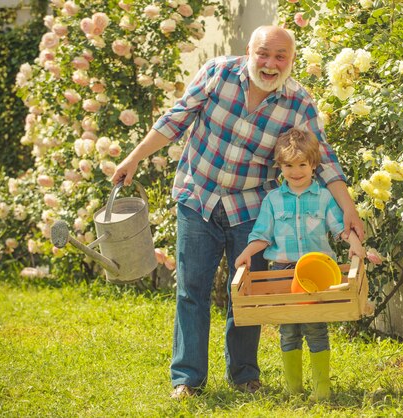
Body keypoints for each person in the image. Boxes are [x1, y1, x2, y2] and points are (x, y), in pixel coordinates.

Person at [111, 25, 364, 399]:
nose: (270, 63)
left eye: (281, 57)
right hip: (198, 196)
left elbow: (323, 161)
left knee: (248, 294)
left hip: (249, 207)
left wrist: (349, 209)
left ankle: (244, 375)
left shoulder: (299, 103)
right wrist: (134, 159)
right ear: (249, 50)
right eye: (264, 53)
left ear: (291, 61)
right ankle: (187, 379)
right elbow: (175, 120)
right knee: (191, 290)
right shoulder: (217, 73)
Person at [235, 128, 365, 401]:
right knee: (288, 329)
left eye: (302, 165)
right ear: (280, 167)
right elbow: (262, 234)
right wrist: (247, 252)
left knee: (316, 328)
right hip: (282, 272)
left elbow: (339, 227)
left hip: (316, 271)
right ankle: (293, 389)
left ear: (314, 165)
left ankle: (321, 391)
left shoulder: (323, 197)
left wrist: (353, 241)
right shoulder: (273, 200)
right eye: (289, 165)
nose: (296, 172)